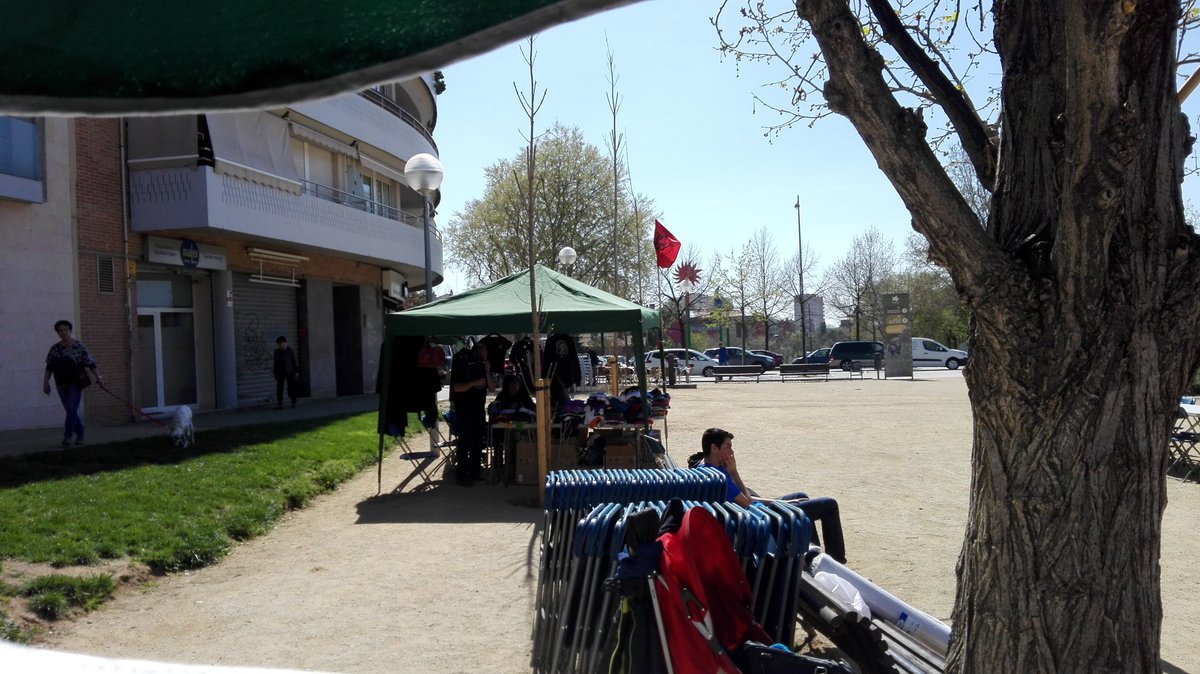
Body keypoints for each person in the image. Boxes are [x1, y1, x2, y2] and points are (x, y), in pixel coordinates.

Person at [693, 427, 847, 563]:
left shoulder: (706, 469)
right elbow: (747, 502)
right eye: (728, 447)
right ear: (714, 448)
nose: (732, 452)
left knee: (801, 496)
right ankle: (837, 561)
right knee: (829, 504)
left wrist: (787, 501)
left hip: (760, 512)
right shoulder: (719, 477)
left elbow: (747, 499)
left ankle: (811, 554)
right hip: (767, 518)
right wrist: (734, 471)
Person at [42, 319, 103, 446]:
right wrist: (45, 382)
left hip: (75, 383)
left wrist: (98, 377)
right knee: (71, 410)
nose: (63, 332)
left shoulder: (79, 346)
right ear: (57, 333)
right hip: (61, 383)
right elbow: (49, 367)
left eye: (65, 330)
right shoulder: (55, 348)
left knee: (71, 408)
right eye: (60, 330)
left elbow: (90, 363)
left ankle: (68, 436)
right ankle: (80, 434)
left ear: (70, 330)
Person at [451, 341, 494, 486]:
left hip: (478, 410)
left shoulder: (482, 367)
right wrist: (473, 383)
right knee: (464, 442)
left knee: (477, 442)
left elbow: (493, 388)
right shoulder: (463, 365)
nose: (485, 355)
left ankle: (475, 471)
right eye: (483, 352)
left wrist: (487, 371)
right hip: (464, 411)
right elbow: (456, 388)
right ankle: (462, 474)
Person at [273, 336, 298, 409]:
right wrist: (275, 373)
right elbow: (275, 363)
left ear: (285, 343)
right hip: (280, 373)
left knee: (291, 388)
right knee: (279, 388)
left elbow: (294, 361)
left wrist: (296, 372)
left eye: (282, 344)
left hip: (290, 372)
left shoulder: (290, 351)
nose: (280, 346)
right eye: (279, 345)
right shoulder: (277, 352)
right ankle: (279, 404)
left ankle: (293, 402)